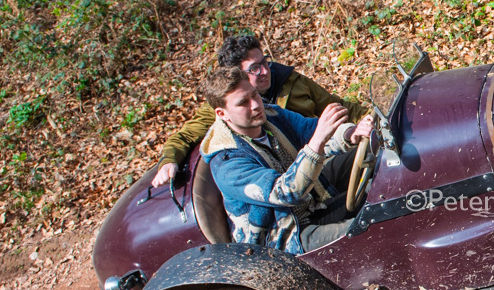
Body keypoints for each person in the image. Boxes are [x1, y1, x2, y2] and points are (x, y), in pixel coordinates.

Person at [200, 63, 374, 254]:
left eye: (254, 94)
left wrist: (350, 133)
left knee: (381, 186)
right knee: (371, 226)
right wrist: (317, 142)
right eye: (243, 103)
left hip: (311, 204)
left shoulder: (271, 115)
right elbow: (285, 192)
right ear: (222, 114)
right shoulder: (227, 163)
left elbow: (310, 129)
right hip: (283, 238)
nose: (256, 105)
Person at [152, 33, 368, 187]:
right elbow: (184, 137)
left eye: (265, 62)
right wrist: (168, 161)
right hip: (288, 181)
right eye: (254, 68)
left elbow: (336, 107)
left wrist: (368, 120)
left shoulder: (289, 80)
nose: (265, 71)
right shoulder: (223, 110)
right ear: (236, 76)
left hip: (328, 153)